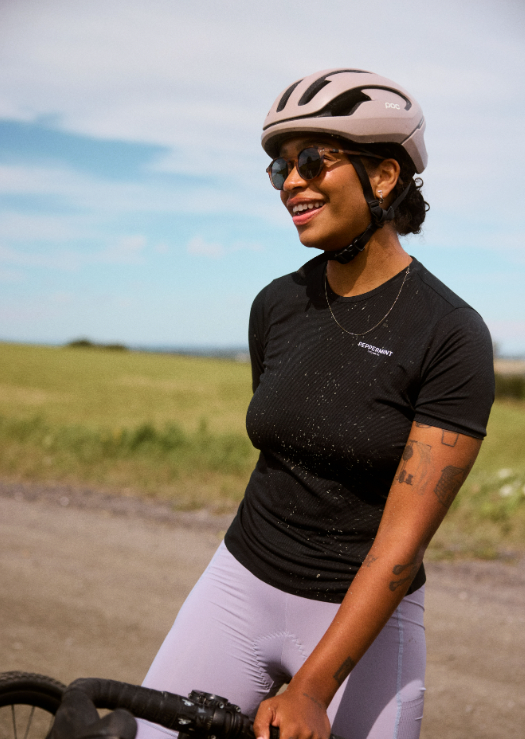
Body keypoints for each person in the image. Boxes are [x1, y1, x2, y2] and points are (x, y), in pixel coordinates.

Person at [137, 69, 494, 739]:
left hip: (363, 619)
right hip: (239, 584)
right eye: (280, 168)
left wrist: (310, 689)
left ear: (382, 176)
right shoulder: (276, 304)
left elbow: (403, 539)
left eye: (310, 161)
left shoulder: (450, 333)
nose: (290, 183)